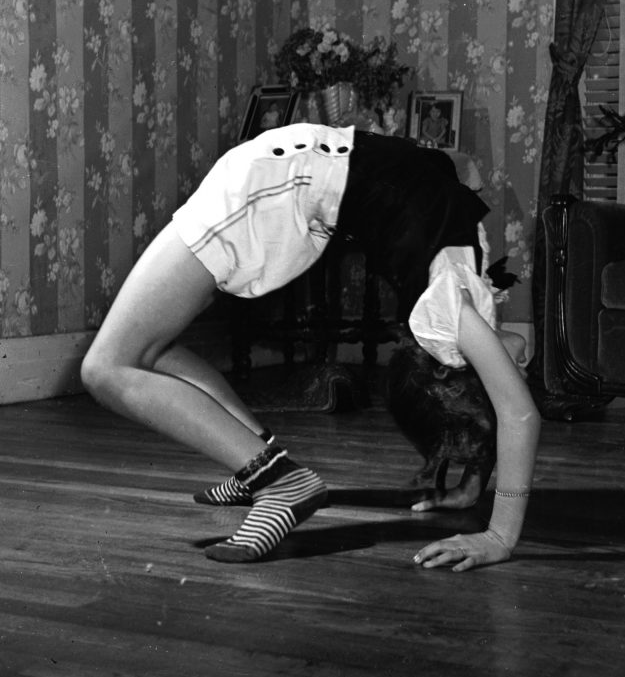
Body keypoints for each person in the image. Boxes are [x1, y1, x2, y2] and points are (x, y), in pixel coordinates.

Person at [80, 123, 541, 570]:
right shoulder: (463, 308)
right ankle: (266, 470)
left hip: (282, 176)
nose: (521, 366)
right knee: (123, 359)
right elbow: (503, 410)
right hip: (282, 179)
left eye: (510, 372)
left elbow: (512, 412)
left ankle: (270, 473)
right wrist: (486, 511)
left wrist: (486, 510)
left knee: (117, 362)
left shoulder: (461, 302)